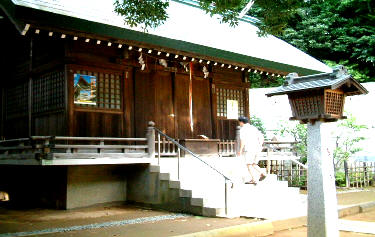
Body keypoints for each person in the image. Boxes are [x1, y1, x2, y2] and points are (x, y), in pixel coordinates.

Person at [237, 116, 266, 185]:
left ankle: (254, 179)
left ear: (241, 122)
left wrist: (240, 150)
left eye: (239, 122)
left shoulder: (243, 129)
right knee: (254, 164)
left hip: (250, 149)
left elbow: (243, 141)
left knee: (249, 164)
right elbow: (261, 137)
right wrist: (260, 145)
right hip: (258, 148)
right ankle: (263, 173)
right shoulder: (254, 128)